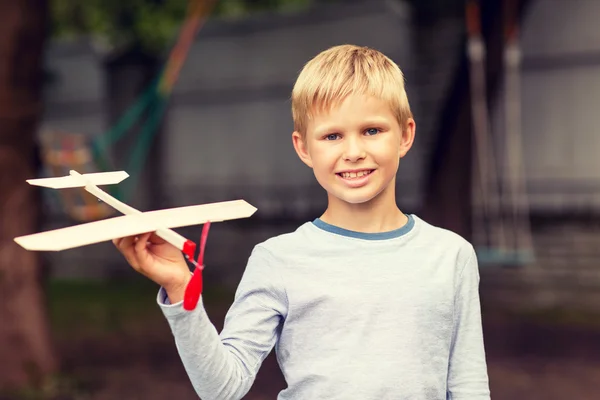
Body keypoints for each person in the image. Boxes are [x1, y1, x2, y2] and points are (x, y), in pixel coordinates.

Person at [113, 44, 490, 399]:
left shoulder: (451, 254)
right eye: (332, 136)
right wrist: (181, 287)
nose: (354, 152)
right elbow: (223, 388)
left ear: (405, 135)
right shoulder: (277, 259)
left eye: (372, 130)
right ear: (304, 148)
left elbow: (469, 385)